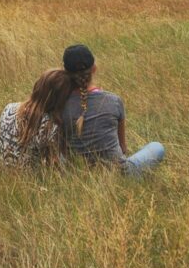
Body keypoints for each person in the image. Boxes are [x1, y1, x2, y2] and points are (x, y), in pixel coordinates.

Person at [62, 44, 165, 176]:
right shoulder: (113, 101)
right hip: (119, 173)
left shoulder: (59, 105)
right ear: (94, 68)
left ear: (65, 73)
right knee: (157, 147)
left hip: (78, 175)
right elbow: (123, 148)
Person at [0, 68, 72, 168]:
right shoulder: (50, 126)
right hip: (28, 179)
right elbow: (52, 164)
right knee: (64, 158)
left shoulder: (9, 108)